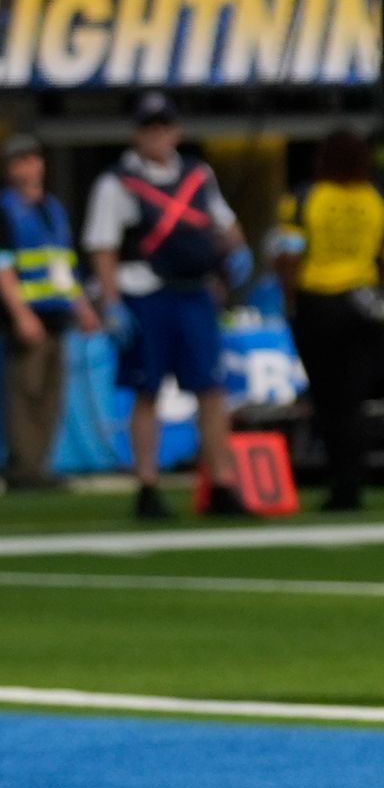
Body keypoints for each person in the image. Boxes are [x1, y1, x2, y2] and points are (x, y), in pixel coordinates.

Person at [84, 94, 249, 521]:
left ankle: (223, 483)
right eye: (149, 127)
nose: (158, 135)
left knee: (211, 390)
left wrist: (238, 250)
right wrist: (113, 302)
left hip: (194, 291)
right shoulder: (117, 183)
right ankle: (147, 484)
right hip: (146, 293)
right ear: (137, 133)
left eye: (164, 126)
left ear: (176, 130)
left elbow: (224, 223)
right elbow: (103, 247)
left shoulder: (197, 174)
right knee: (147, 390)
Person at [280, 129, 384, 513]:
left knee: (328, 400)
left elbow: (290, 255)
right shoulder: (376, 199)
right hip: (363, 303)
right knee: (354, 400)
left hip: (319, 303)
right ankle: (354, 480)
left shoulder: (306, 197)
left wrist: (290, 300)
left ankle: (339, 482)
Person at [1, 134, 85, 494]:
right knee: (26, 392)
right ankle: (24, 468)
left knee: (51, 393)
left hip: (57, 314)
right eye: (19, 161)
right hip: (28, 314)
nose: (28, 166)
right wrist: (20, 313)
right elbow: (2, 264)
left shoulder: (52, 207)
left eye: (32, 159)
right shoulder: (5, 208)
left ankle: (40, 464)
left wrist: (81, 305)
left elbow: (62, 263)